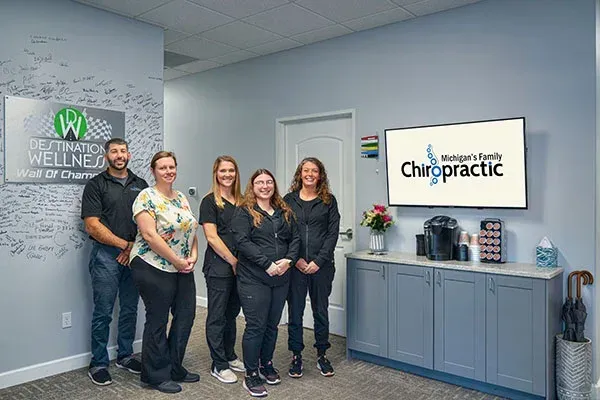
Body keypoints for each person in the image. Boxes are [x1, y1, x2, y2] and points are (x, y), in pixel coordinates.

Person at [129, 151, 200, 394]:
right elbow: (149, 235)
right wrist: (176, 261)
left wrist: (193, 256)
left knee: (186, 315)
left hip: (181, 266)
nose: (168, 171)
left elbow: (191, 229)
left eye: (171, 167)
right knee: (158, 319)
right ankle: (155, 375)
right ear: (154, 171)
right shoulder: (145, 197)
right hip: (151, 264)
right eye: (162, 168)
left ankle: (174, 366)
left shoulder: (181, 197)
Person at [81, 138, 148, 386]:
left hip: (135, 256)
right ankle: (98, 363)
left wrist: (133, 248)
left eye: (123, 151)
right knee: (104, 311)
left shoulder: (140, 185)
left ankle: (125, 355)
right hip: (106, 256)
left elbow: (149, 221)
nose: (119, 155)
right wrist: (124, 246)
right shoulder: (96, 185)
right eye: (114, 151)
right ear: (106, 156)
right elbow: (92, 225)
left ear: (129, 155)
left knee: (130, 309)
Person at [232, 169, 300, 397]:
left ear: (274, 185)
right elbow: (242, 242)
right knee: (256, 325)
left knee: (272, 324)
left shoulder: (284, 211)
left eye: (269, 182)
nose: (265, 186)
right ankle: (251, 373)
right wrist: (267, 264)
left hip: (281, 277)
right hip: (254, 278)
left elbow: (295, 238)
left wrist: (289, 260)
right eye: (260, 182)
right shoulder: (244, 212)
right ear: (252, 187)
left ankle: (266, 364)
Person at [284, 157, 340, 378]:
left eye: (314, 171)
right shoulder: (288, 200)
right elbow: (284, 232)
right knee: (295, 312)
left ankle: (322, 354)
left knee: (320, 311)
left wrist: (318, 261)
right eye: (305, 170)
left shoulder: (328, 201)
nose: (309, 174)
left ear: (320, 175)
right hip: (295, 267)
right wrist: (296, 259)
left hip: (322, 267)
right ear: (300, 174)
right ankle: (296, 355)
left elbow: (332, 234)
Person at [199, 156, 245, 384]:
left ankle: (229, 354)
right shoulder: (209, 202)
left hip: (241, 268)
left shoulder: (243, 201)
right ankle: (219, 364)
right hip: (219, 267)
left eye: (231, 171)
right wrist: (233, 261)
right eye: (223, 171)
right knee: (217, 315)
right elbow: (212, 237)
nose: (227, 175)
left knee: (232, 313)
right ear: (216, 174)